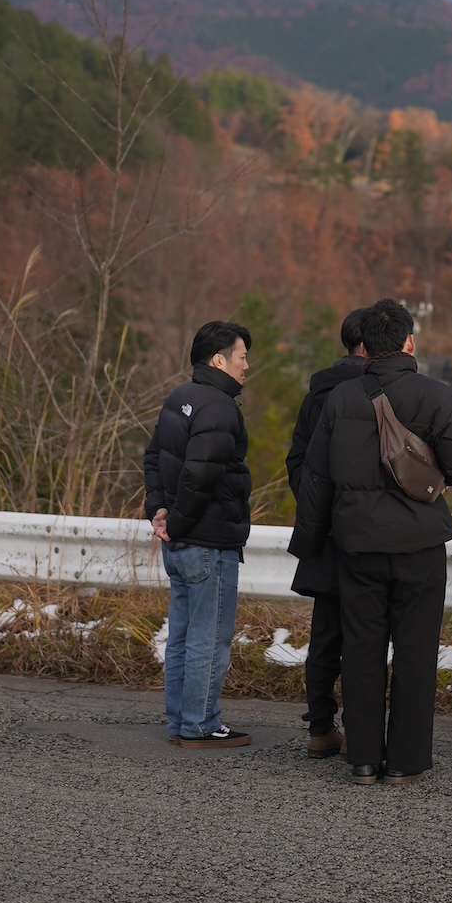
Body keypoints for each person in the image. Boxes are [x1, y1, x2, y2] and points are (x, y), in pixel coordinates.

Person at [290, 298, 452, 784]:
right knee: (416, 652)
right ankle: (405, 761)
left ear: (364, 346)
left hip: (356, 545)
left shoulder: (339, 399)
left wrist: (310, 542)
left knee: (361, 650)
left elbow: (315, 478)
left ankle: (362, 758)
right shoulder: (436, 396)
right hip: (418, 546)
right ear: (408, 342)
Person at [143, 320, 254, 750]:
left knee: (183, 637)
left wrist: (160, 512)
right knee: (209, 638)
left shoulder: (180, 397)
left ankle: (181, 721)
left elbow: (153, 457)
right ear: (219, 359)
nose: (247, 366)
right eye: (242, 356)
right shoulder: (220, 407)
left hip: (180, 542)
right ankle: (202, 725)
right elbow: (200, 476)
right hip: (207, 543)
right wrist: (179, 522)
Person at [285, 307, 367, 758]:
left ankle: (320, 727)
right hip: (366, 532)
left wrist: (319, 512)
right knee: (365, 633)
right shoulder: (375, 391)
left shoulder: (317, 391)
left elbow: (297, 462)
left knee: (325, 633)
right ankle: (359, 727)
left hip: (324, 531)